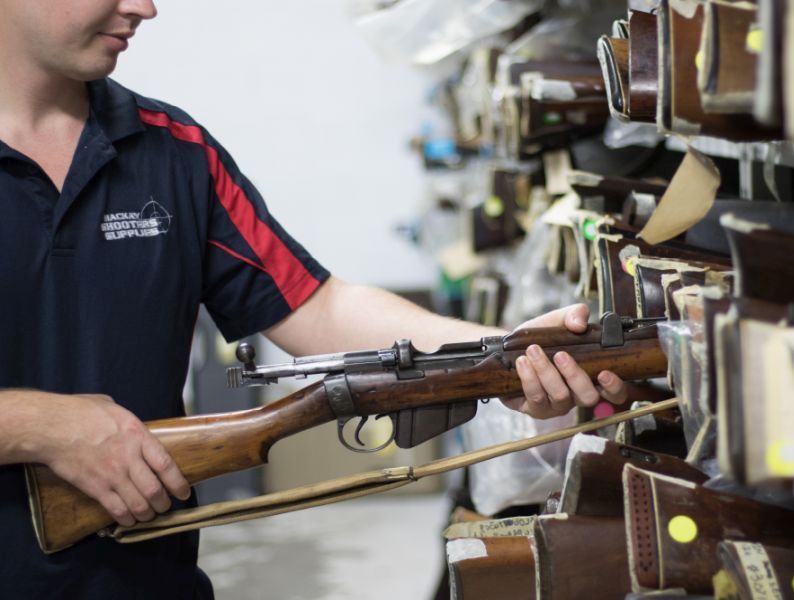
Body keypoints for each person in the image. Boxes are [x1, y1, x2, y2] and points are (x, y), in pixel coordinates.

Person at [0, 0, 629, 597]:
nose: (146, 8)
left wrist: (503, 354)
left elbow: (315, 309)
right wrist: (36, 426)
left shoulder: (172, 150)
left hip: (144, 580)